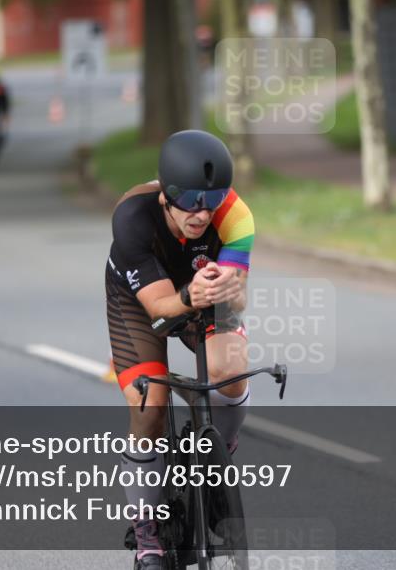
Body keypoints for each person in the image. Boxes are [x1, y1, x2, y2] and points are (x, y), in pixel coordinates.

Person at [105, 130, 254, 569]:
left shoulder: (236, 217)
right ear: (166, 196)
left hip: (204, 294)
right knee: (150, 404)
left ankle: (218, 459)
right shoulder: (133, 217)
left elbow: (238, 297)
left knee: (231, 373)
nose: (202, 212)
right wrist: (193, 296)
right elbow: (160, 307)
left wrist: (228, 289)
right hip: (139, 300)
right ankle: (148, 527)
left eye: (213, 199)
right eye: (189, 199)